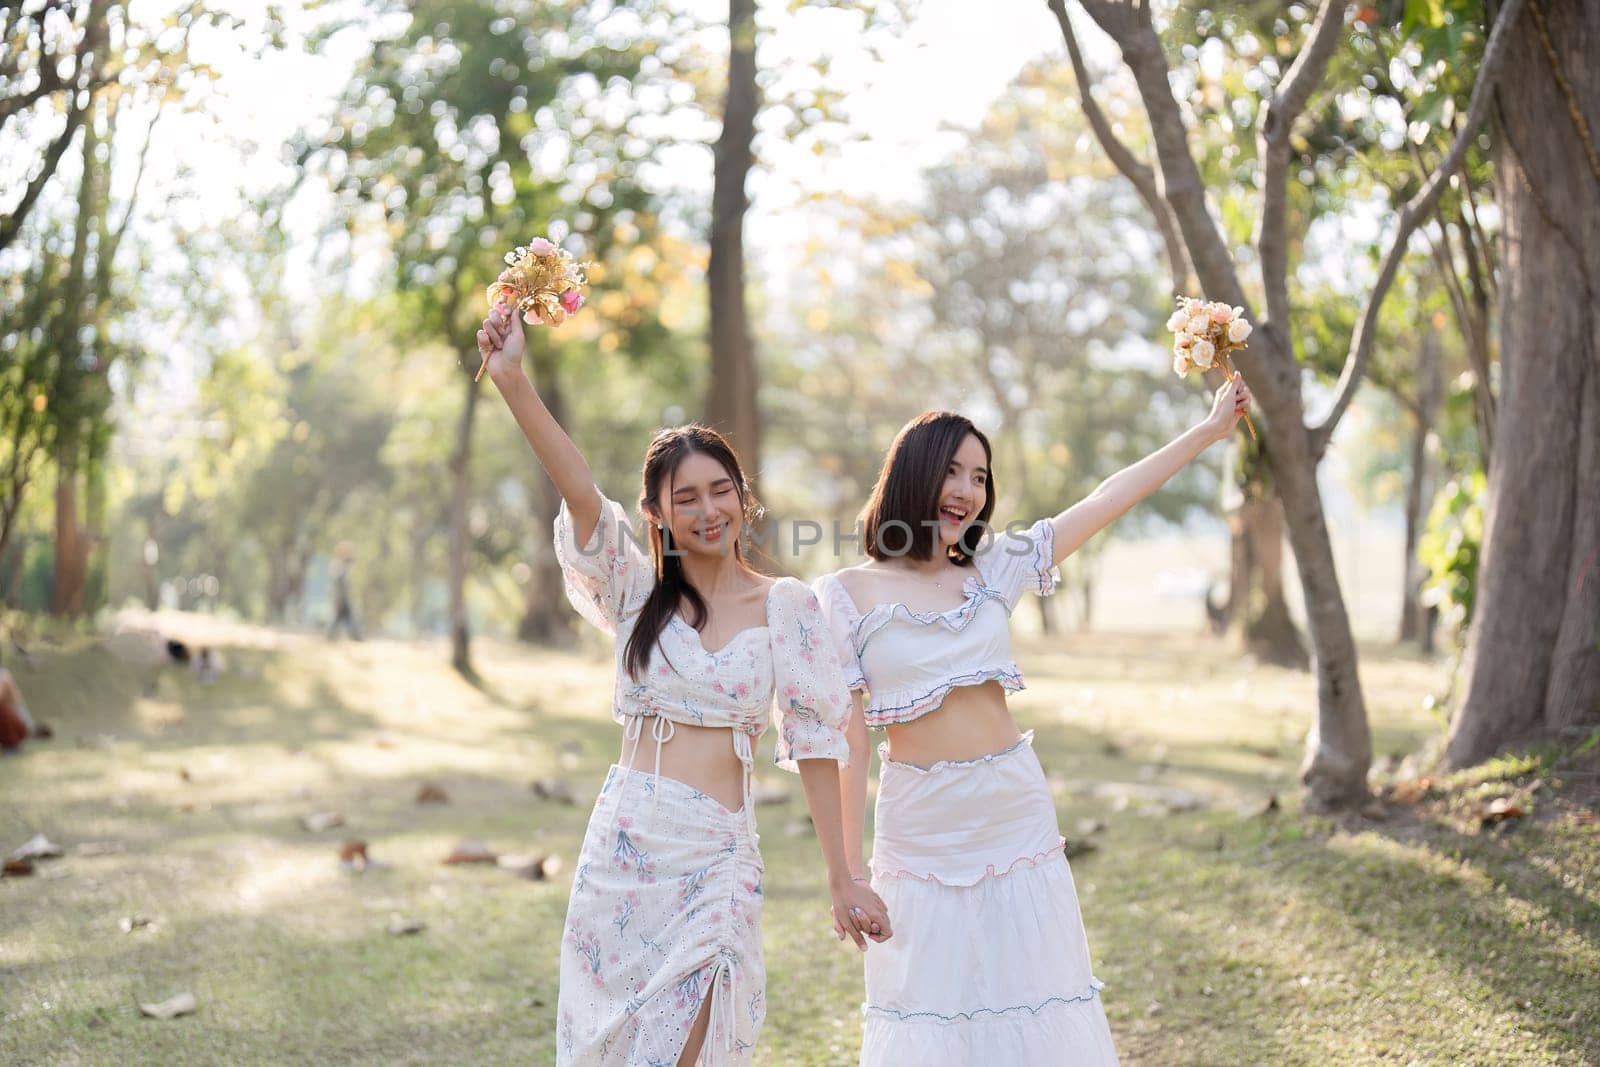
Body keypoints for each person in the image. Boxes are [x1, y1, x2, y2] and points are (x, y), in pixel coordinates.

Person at [475, 301, 891, 1066]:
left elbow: (819, 743)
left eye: (720, 489)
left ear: (743, 496)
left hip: (715, 857)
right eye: (686, 497)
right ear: (657, 513)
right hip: (624, 847)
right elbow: (579, 494)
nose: (708, 509)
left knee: (686, 1049)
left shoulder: (786, 607)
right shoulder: (634, 591)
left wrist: (844, 876)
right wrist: (513, 382)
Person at [815, 376, 1251, 1065]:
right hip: (920, 827)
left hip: (1014, 811)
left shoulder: (995, 567)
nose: (967, 489)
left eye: (980, 476)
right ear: (911, 475)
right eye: (952, 471)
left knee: (1034, 997)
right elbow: (849, 745)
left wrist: (1205, 431)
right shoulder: (843, 596)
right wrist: (845, 873)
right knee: (928, 1011)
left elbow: (1107, 497)